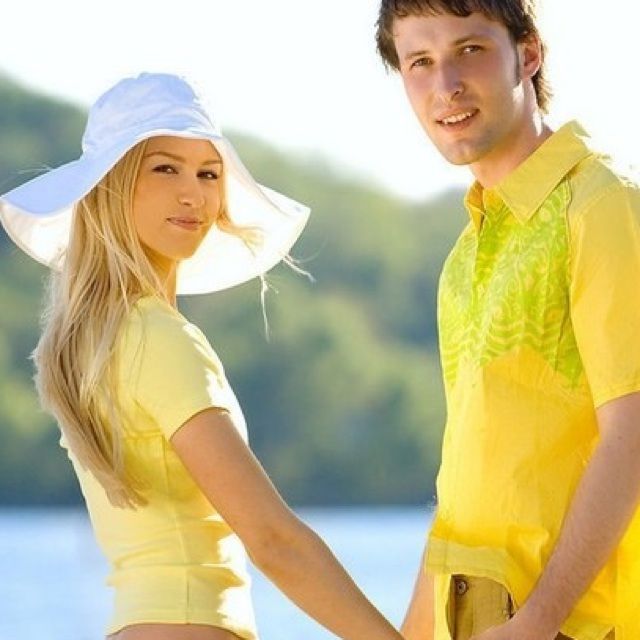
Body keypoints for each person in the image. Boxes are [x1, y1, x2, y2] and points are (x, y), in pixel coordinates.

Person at [0, 72, 405, 640]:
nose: (194, 193)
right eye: (165, 169)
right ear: (109, 187)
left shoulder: (97, 341)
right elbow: (274, 540)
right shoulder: (160, 339)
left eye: (209, 173)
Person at [375, 2, 640, 639]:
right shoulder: (463, 257)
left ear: (527, 54)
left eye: (469, 50)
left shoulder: (601, 206)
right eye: (420, 62)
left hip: (565, 620)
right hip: (469, 612)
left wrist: (539, 620)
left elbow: (633, 433)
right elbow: (465, 486)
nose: (446, 86)